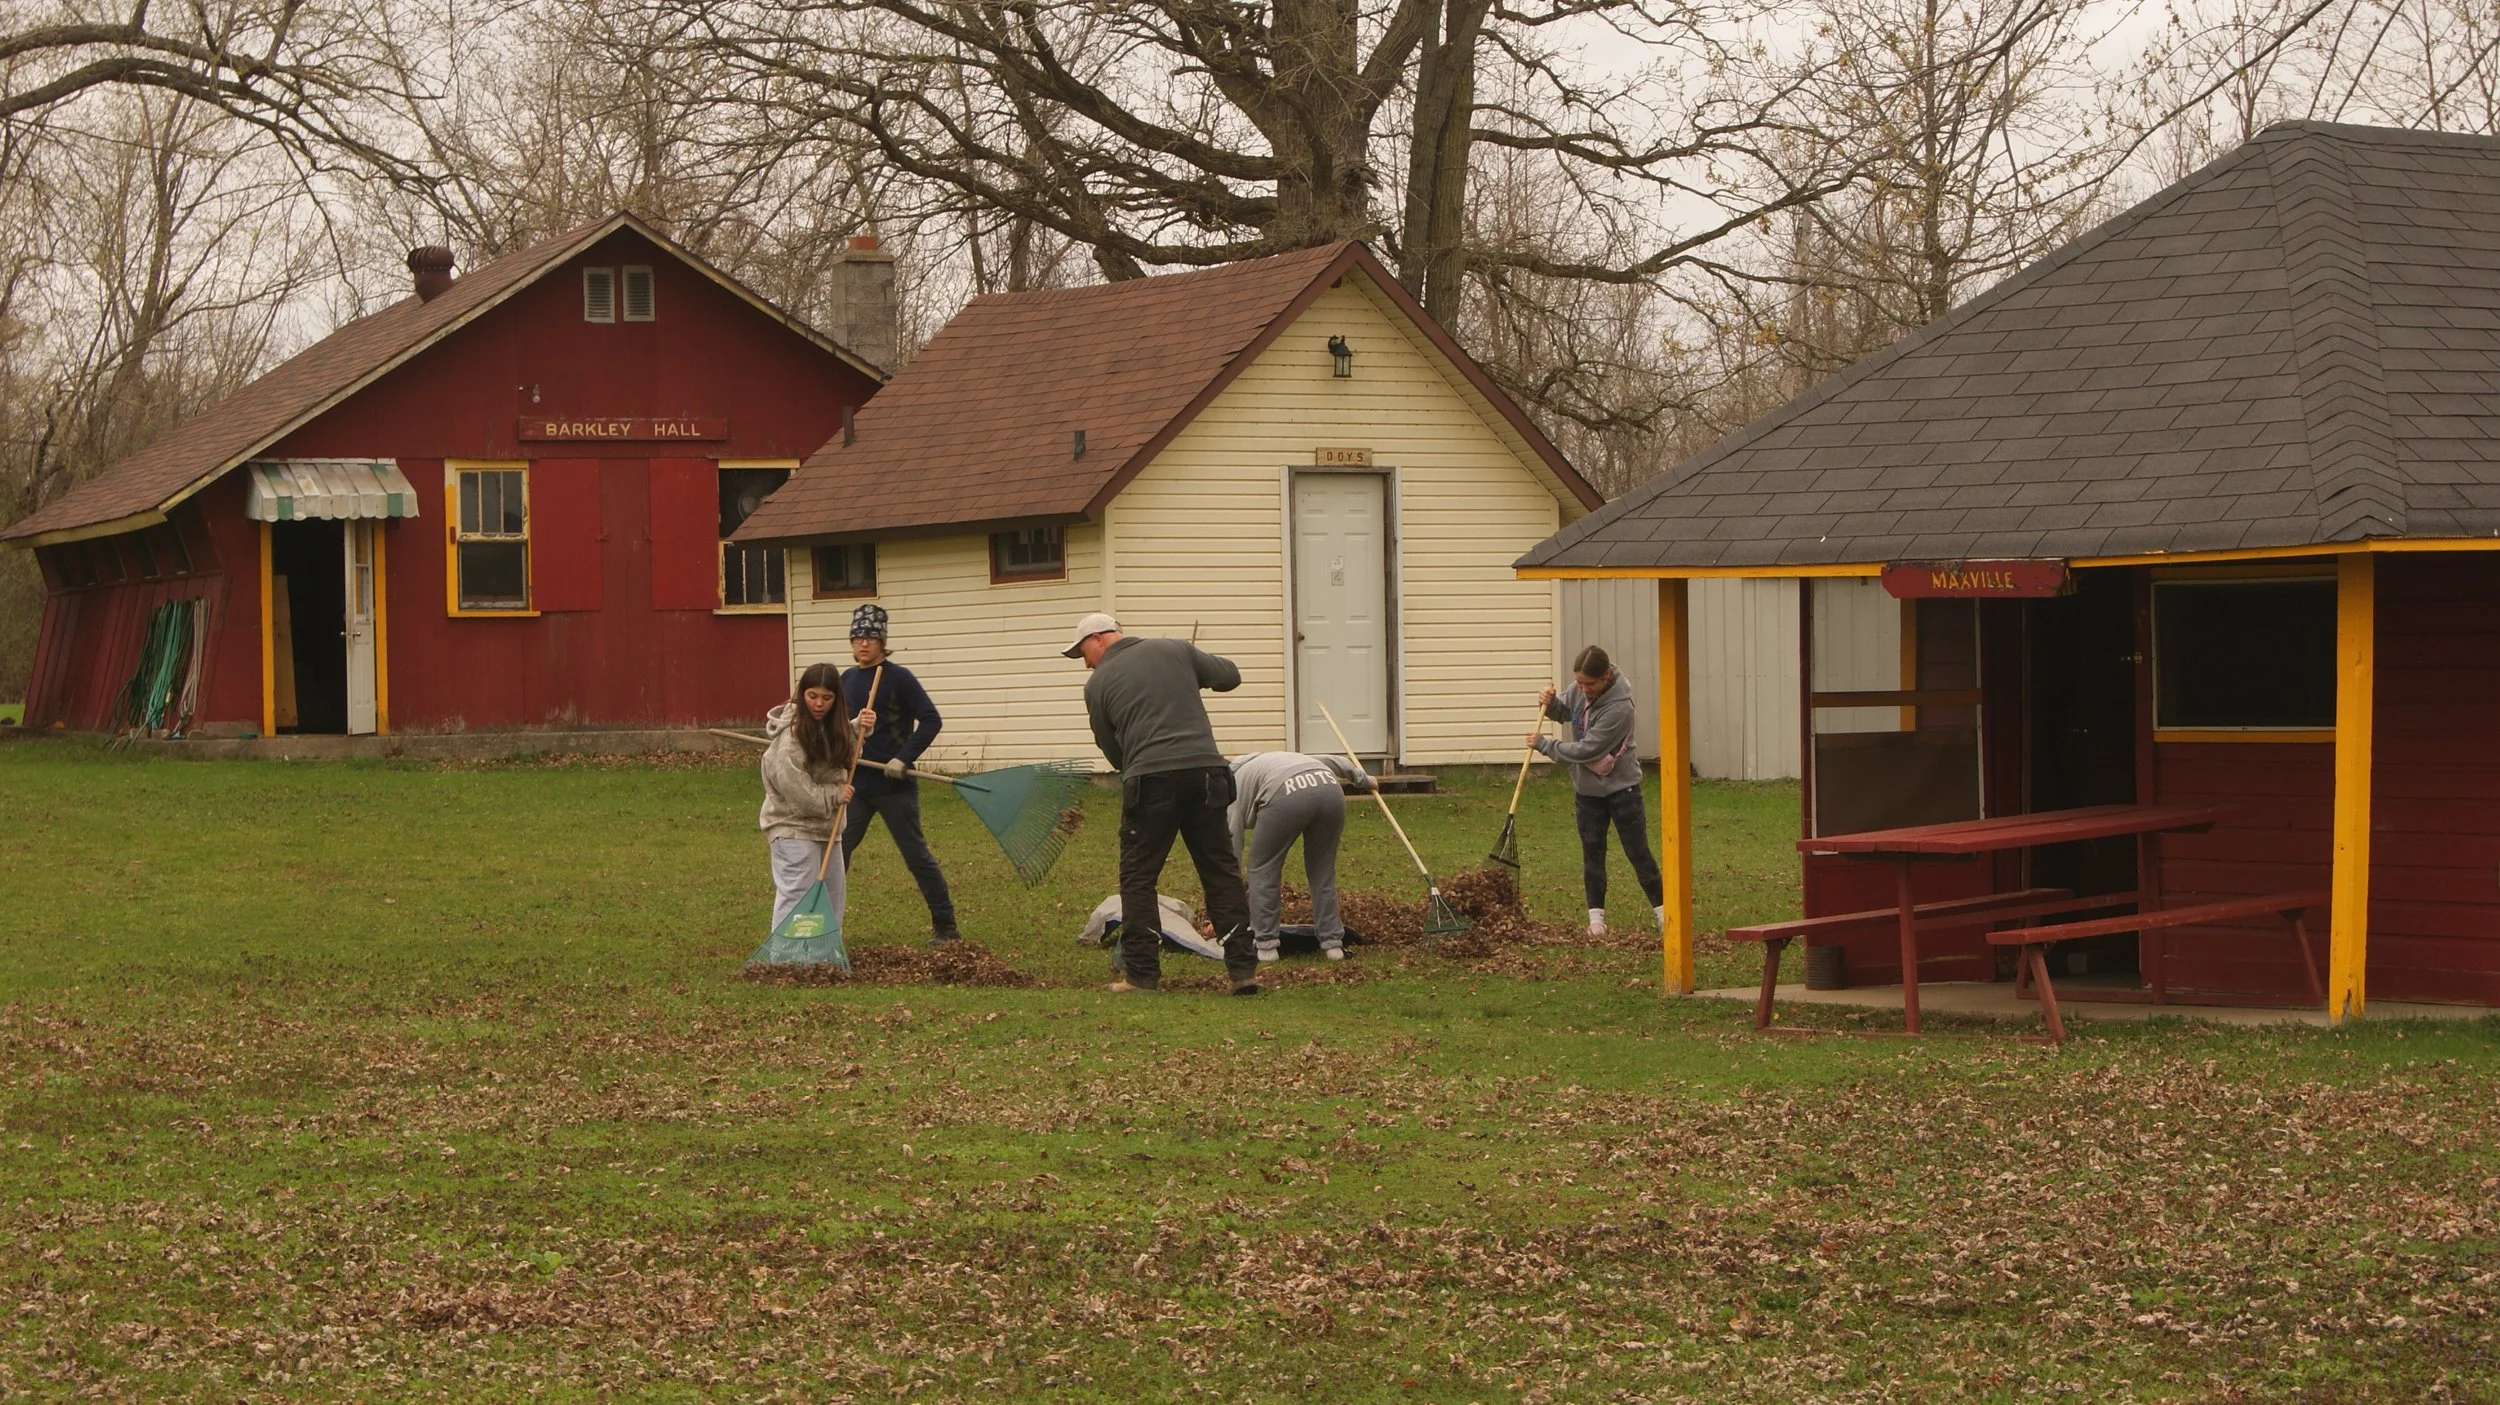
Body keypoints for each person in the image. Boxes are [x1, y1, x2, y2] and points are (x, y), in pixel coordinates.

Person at [1066, 612, 1260, 995]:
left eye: (1083, 651)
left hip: (1151, 780)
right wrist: (1190, 668)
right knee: (1220, 869)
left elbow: (1113, 752)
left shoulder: (1097, 684)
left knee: (1138, 878)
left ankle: (1141, 976)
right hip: (1206, 773)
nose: (1085, 662)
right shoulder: (1176, 649)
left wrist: (1140, 761)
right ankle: (1242, 971)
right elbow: (1230, 676)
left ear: (1102, 638)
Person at [839, 604, 961, 946]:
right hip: (857, 785)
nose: (863, 644)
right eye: (858, 637)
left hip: (894, 786)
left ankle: (946, 928)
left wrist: (903, 758)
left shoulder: (898, 677)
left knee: (916, 856)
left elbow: (931, 720)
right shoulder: (846, 680)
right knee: (837, 852)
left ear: (882, 641)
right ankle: (824, 923)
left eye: (871, 637)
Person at [1531, 645, 1664, 938]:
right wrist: (1550, 703)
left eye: (1589, 684)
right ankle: (1596, 922)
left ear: (1606, 676)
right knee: (1592, 853)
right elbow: (1565, 710)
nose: (1583, 689)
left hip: (1623, 790)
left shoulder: (1620, 708)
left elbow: (1587, 748)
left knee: (1638, 853)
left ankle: (1665, 915)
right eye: (1578, 682)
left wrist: (1546, 746)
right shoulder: (1580, 688)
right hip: (1587, 791)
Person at [1228, 751, 1372, 962]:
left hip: (1284, 794)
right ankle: (1333, 947)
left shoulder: (1232, 788)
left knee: (1262, 868)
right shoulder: (1279, 758)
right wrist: (1365, 780)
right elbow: (1336, 762)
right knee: (1322, 870)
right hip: (1329, 788)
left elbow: (1232, 846)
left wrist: (1230, 891)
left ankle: (1266, 947)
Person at [759, 662, 858, 935]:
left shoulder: (832, 726)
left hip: (828, 829)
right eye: (812, 696)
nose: (819, 704)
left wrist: (858, 728)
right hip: (791, 826)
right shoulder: (790, 738)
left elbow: (838, 749)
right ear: (802, 694)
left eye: (827, 698)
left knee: (832, 895)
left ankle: (822, 953)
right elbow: (797, 793)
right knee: (798, 893)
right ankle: (785, 956)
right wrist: (834, 795)